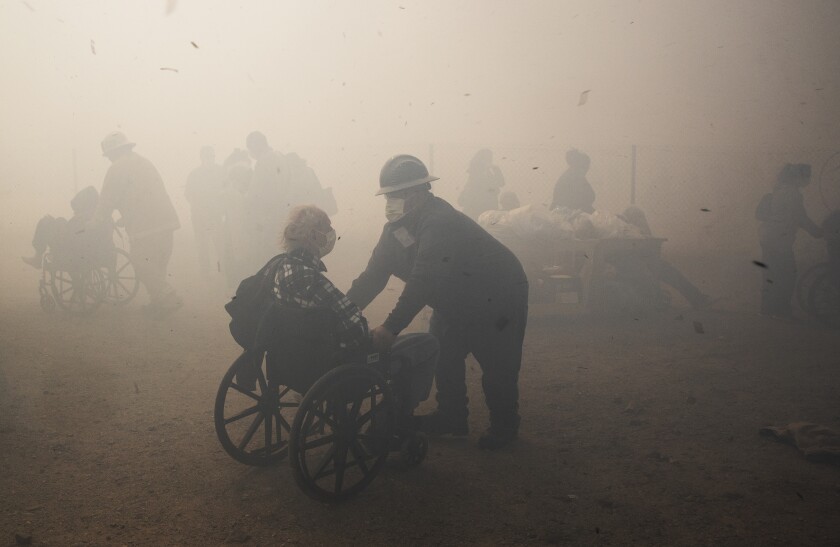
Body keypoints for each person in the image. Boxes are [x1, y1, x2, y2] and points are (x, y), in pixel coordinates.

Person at [346, 154, 529, 450]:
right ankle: (452, 417)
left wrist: (391, 327)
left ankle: (505, 425)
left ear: (416, 195)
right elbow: (372, 277)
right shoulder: (395, 230)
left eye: (395, 195)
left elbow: (423, 279)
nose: (389, 202)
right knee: (443, 354)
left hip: (498, 294)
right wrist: (342, 311)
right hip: (454, 298)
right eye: (388, 196)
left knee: (498, 364)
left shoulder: (439, 222)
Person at [274, 205, 438, 412]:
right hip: (338, 363)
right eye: (328, 228)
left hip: (297, 359)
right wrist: (377, 334)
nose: (332, 234)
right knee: (427, 343)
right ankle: (393, 419)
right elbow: (355, 332)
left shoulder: (280, 269)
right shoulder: (313, 279)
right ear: (314, 235)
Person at [92, 131, 182, 316]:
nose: (109, 159)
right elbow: (143, 194)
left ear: (114, 152)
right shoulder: (143, 162)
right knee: (158, 263)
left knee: (141, 261)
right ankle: (159, 302)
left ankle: (168, 297)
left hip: (146, 226)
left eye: (108, 155)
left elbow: (107, 200)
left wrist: (96, 221)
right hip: (166, 219)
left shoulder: (117, 168)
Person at [755, 163, 823, 318]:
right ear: (798, 177)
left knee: (770, 274)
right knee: (787, 275)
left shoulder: (779, 189)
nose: (808, 180)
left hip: (767, 237)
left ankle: (767, 309)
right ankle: (782, 309)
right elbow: (801, 218)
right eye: (807, 176)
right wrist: (818, 233)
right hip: (780, 241)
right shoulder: (793, 194)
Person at [618, 206, 712, 310]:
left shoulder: (619, 224)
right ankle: (697, 299)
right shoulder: (607, 222)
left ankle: (697, 299)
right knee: (661, 268)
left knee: (663, 268)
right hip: (625, 263)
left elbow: (646, 242)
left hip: (637, 260)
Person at [22, 186, 106, 269]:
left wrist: (62, 226)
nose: (75, 212)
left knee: (46, 221)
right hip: (86, 249)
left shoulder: (84, 218)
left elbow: (73, 235)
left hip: (71, 251)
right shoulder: (98, 217)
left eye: (76, 210)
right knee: (59, 220)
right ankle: (38, 256)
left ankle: (38, 257)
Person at [244, 131, 291, 266]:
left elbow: (259, 192)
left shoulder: (265, 161)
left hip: (268, 214)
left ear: (256, 145)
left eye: (250, 148)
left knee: (269, 252)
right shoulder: (280, 156)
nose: (250, 152)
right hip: (281, 210)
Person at [184, 146, 226, 275]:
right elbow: (188, 194)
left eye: (212, 156)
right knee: (202, 246)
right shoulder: (194, 174)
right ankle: (206, 274)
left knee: (220, 244)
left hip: (216, 215)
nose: (210, 159)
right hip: (199, 216)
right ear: (201, 158)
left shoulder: (221, 171)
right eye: (208, 156)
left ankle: (223, 271)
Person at [457, 148, 506, 220]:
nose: (490, 160)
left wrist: (496, 170)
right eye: (488, 158)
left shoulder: (490, 170)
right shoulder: (475, 172)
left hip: (488, 204)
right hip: (477, 205)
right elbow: (478, 187)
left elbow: (501, 183)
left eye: (490, 158)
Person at [550, 148, 595, 213]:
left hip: (570, 211)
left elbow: (589, 196)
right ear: (580, 165)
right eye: (586, 165)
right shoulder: (572, 178)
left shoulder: (577, 176)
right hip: (565, 213)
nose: (588, 168)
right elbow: (573, 201)